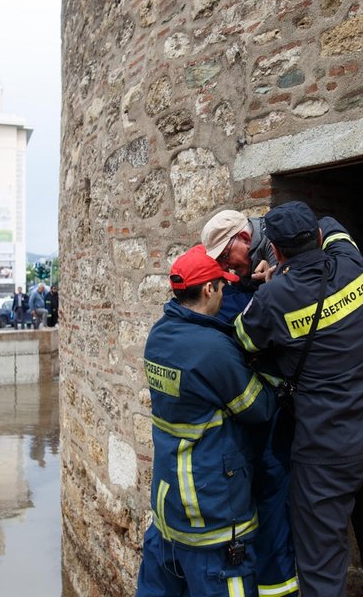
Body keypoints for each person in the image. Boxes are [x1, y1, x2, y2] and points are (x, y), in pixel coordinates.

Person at [233, 201, 363, 597]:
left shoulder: (273, 298)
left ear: (274, 251)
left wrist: (270, 280)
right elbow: (333, 224)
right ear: (317, 238)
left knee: (322, 570)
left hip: (327, 454)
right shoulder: (352, 265)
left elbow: (244, 338)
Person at [135, 244, 276, 597]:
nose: (226, 292)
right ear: (209, 289)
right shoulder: (212, 348)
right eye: (223, 285)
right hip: (212, 514)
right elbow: (258, 408)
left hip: (170, 510)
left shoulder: (159, 335)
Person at [202, 209, 298, 597]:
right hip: (265, 422)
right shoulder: (248, 273)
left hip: (277, 418)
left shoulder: (280, 249)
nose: (227, 267)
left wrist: (270, 289)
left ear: (244, 238)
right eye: (221, 263)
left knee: (272, 511)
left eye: (228, 256)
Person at [202, 209, 278, 319]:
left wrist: (273, 283)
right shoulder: (243, 264)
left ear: (245, 237)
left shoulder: (275, 241)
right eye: (219, 260)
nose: (224, 266)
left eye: (224, 255)